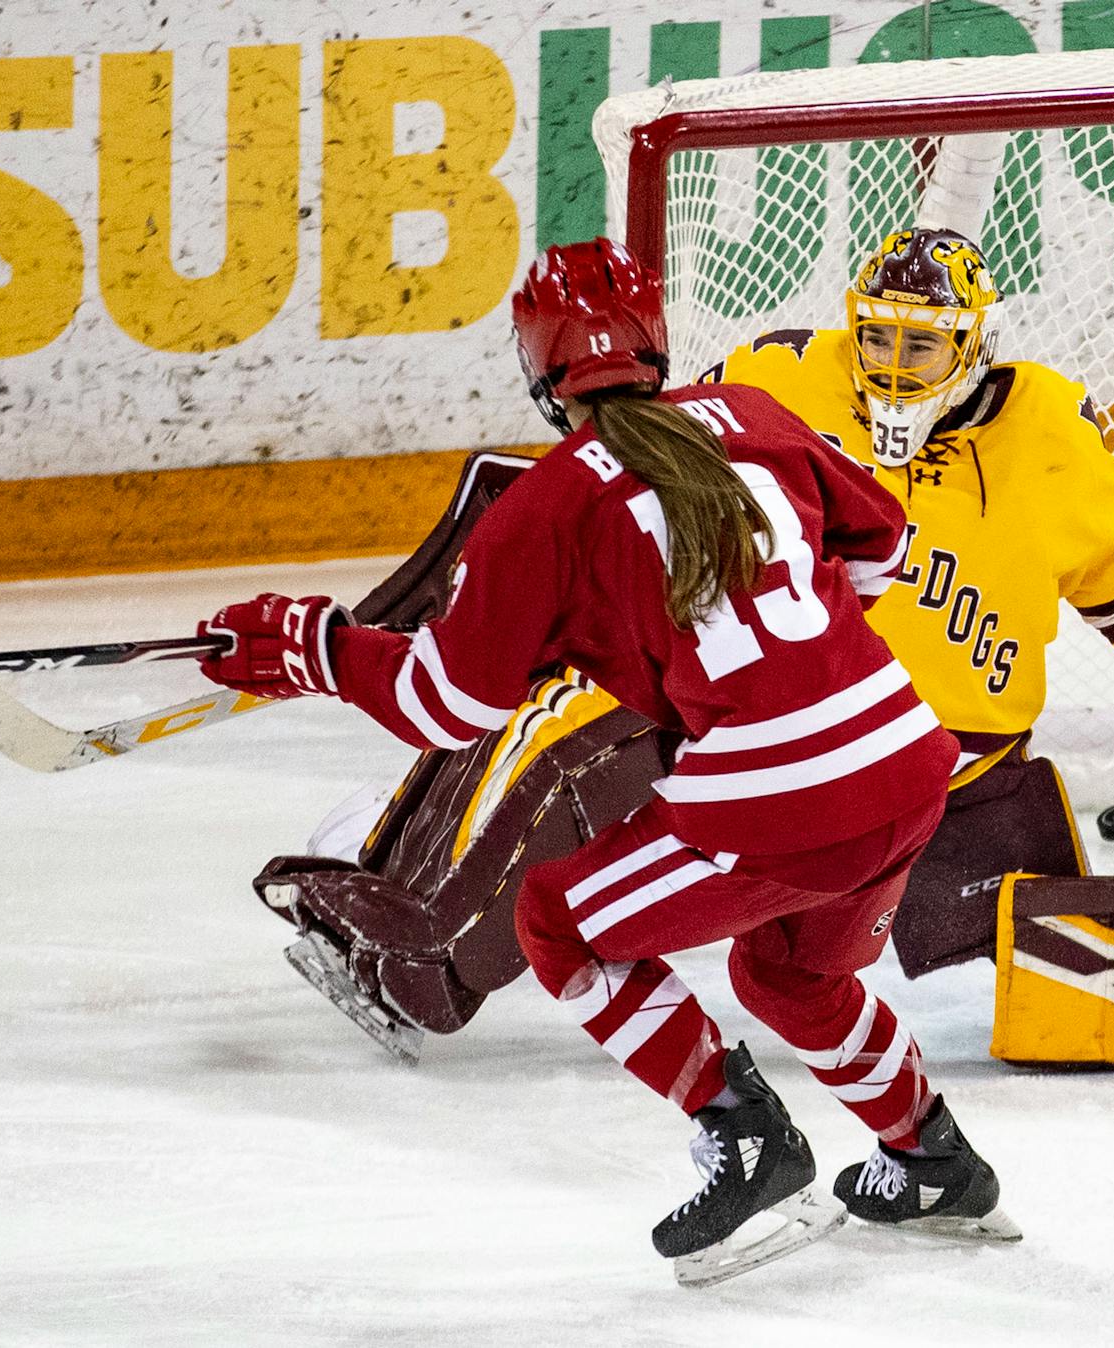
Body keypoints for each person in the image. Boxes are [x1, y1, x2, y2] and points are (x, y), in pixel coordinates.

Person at [254, 227, 1114, 1070]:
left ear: (977, 346)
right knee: (569, 702)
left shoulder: (1046, 443)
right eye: (882, 340)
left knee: (573, 726)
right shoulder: (781, 376)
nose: (895, 368)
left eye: (926, 348)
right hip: (762, 700)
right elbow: (635, 475)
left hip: (933, 747)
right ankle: (404, 874)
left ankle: (423, 954)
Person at [198, 239, 1022, 1287]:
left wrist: (315, 645)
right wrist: (738, 660)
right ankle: (934, 1159)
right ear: (655, 342)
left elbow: (444, 702)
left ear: (540, 370)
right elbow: (882, 548)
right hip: (906, 759)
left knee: (558, 921)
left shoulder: (544, 506)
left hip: (776, 802)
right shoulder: (759, 418)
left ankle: (746, 1136)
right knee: (788, 972)